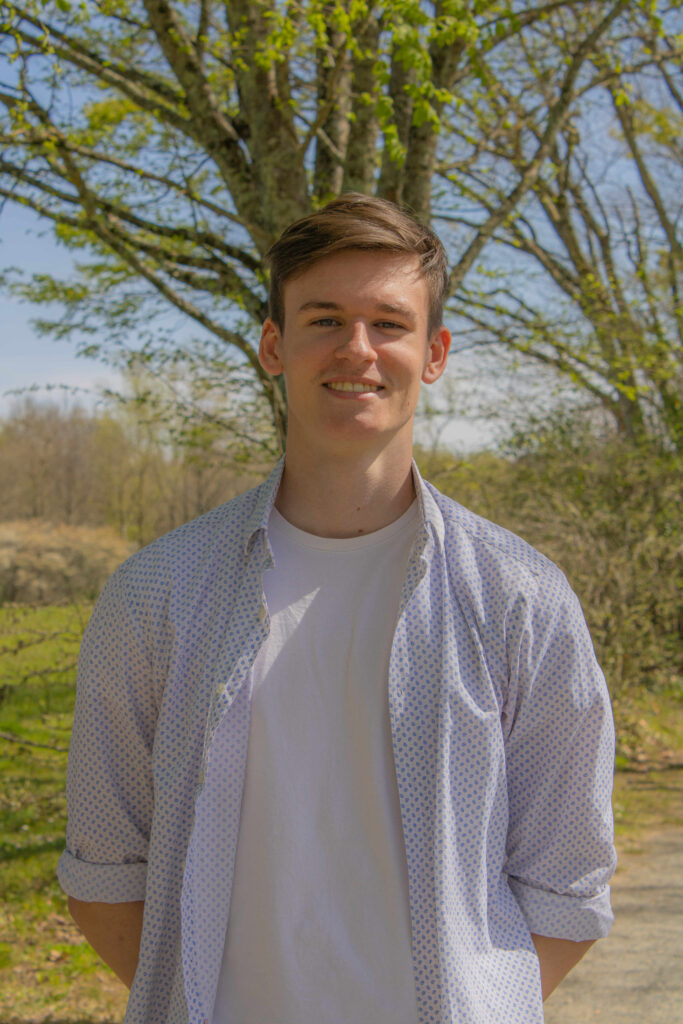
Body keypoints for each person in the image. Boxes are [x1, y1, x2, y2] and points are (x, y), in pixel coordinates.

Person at [59, 193, 616, 1024]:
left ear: (434, 353)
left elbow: (567, 883)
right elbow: (104, 874)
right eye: (324, 320)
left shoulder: (520, 597)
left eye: (388, 323)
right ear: (273, 346)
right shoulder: (155, 594)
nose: (357, 348)